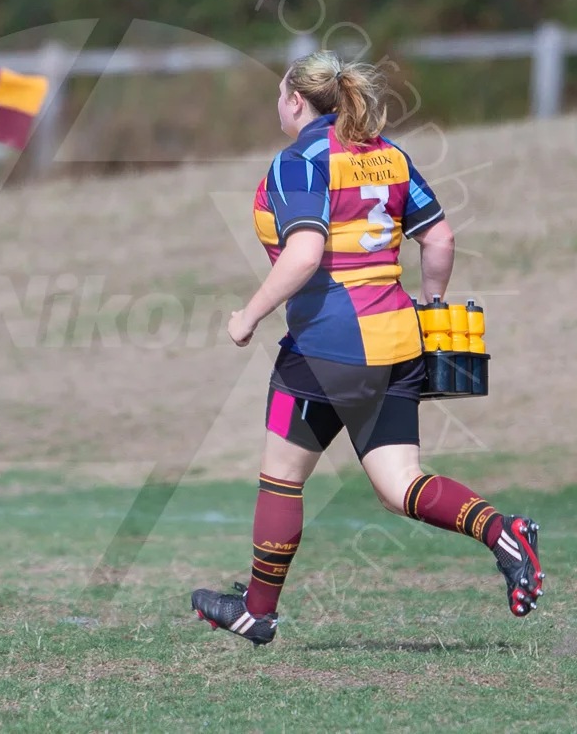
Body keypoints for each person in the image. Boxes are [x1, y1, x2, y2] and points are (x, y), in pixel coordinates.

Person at [190, 50, 544, 647]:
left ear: (296, 101)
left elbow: (304, 254)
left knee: (281, 480)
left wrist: (247, 316)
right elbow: (439, 237)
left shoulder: (299, 162)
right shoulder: (388, 154)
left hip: (325, 346)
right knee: (399, 483)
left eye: (280, 95)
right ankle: (502, 531)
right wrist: (433, 309)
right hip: (399, 341)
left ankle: (257, 611)